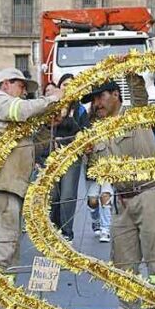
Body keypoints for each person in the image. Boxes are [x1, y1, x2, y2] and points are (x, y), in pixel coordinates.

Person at [0, 68, 60, 309]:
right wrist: (54, 99)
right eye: (22, 87)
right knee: (0, 254)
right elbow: (22, 110)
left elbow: (34, 138)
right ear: (7, 84)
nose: (25, 92)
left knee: (8, 254)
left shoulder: (8, 116)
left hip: (10, 190)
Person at [84, 80, 155, 309]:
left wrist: (131, 70)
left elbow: (138, 92)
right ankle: (129, 306)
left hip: (149, 196)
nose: (96, 104)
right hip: (121, 200)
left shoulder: (137, 113)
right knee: (123, 258)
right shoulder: (98, 130)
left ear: (116, 94)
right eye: (93, 101)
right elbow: (96, 169)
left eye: (99, 97)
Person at [48, 74, 90, 241]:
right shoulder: (51, 106)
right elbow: (44, 130)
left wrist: (70, 116)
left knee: (67, 195)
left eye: (71, 85)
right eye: (64, 84)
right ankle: (53, 227)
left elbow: (84, 132)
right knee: (53, 195)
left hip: (72, 157)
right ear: (59, 87)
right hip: (52, 157)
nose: (67, 87)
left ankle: (67, 232)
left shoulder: (79, 110)